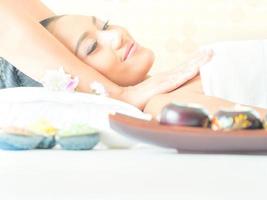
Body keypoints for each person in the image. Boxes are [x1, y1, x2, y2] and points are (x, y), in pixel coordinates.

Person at [0, 0, 266, 118]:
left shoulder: (179, 79)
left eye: (104, 26)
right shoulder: (164, 105)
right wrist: (118, 95)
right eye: (93, 47)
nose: (115, 37)